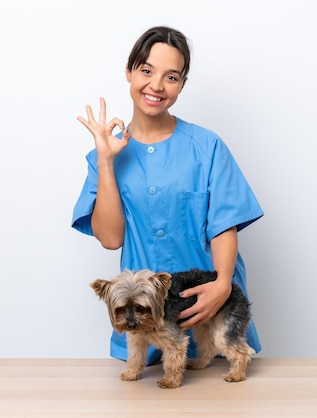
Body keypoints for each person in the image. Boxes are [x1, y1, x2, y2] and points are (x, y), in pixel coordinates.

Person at [72, 26, 264, 364]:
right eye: (146, 70)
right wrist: (105, 160)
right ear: (129, 71)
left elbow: (224, 226)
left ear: (182, 84)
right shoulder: (105, 158)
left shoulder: (207, 147)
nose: (157, 86)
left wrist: (221, 287)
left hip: (209, 309)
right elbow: (111, 238)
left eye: (171, 77)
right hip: (145, 321)